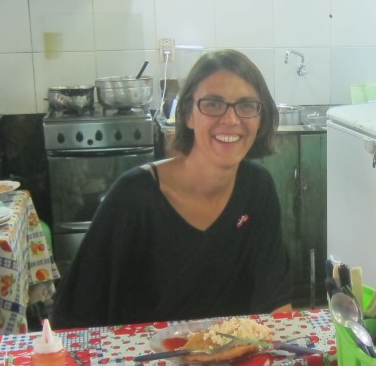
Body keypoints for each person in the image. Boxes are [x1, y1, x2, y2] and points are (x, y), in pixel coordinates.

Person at [52, 49, 293, 329]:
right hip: (145, 355)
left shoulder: (257, 188)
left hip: (233, 352)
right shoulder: (133, 196)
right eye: (213, 104)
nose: (231, 119)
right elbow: (73, 317)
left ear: (260, 117)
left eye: (247, 105)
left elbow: (275, 299)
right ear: (188, 114)